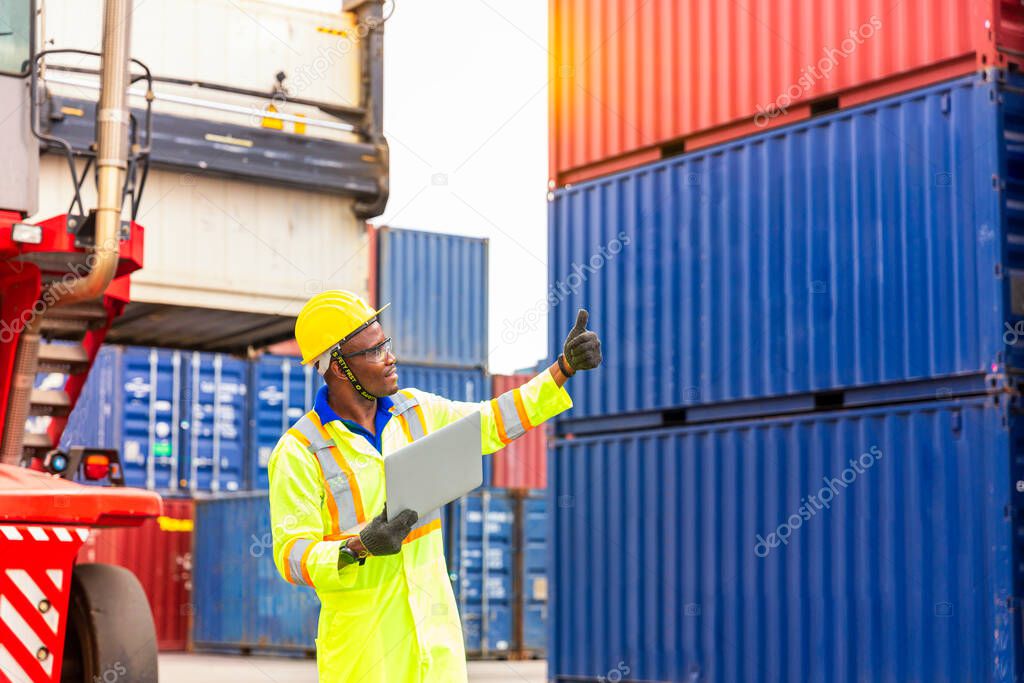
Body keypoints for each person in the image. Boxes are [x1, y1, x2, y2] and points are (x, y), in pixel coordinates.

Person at [268, 289, 602, 682]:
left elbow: (492, 422)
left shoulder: (417, 411)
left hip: (435, 645)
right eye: (375, 351)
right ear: (339, 368)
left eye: (386, 344)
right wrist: (358, 546)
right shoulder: (300, 450)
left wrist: (561, 370)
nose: (391, 357)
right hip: (365, 657)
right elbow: (291, 555)